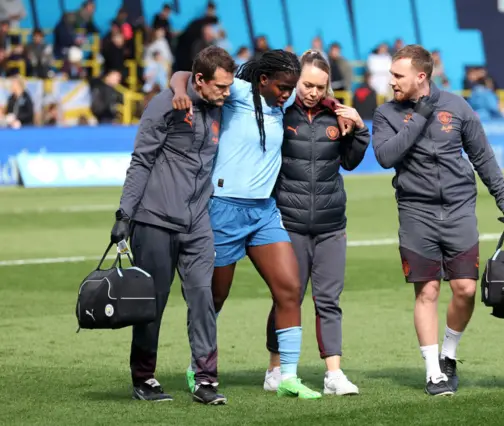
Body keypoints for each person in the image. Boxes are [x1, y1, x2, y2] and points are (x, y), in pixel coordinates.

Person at [170, 49, 353, 399]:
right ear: (264, 80)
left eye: (291, 88)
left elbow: (319, 95)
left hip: (265, 212)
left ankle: (286, 376)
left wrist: (343, 112)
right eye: (283, 87)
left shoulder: (283, 105)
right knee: (216, 297)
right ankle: (198, 366)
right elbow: (183, 73)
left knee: (289, 287)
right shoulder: (238, 92)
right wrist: (180, 91)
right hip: (223, 209)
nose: (288, 94)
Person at [371, 45, 504, 396]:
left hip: (459, 210)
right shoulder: (385, 114)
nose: (390, 81)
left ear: (420, 76)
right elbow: (385, 156)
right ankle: (433, 372)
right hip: (415, 213)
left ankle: (448, 354)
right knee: (428, 291)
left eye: (397, 75)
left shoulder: (457, 107)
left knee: (466, 289)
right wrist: (420, 115)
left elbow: (483, 157)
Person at [110, 46, 235, 405]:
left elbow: (184, 74)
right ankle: (144, 377)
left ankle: (206, 378)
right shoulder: (165, 105)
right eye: (221, 87)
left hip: (197, 222)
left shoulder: (216, 102)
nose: (227, 93)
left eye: (228, 87)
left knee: (202, 299)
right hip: (154, 220)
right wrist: (124, 215)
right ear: (200, 80)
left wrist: (182, 84)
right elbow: (141, 161)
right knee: (152, 303)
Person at [262, 50, 370, 396]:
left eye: (320, 87)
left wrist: (359, 131)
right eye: (307, 84)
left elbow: (351, 162)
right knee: (286, 296)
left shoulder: (335, 116)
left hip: (331, 224)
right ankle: (275, 367)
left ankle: (333, 375)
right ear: (296, 81)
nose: (312, 91)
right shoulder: (278, 113)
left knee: (329, 299)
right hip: (288, 223)